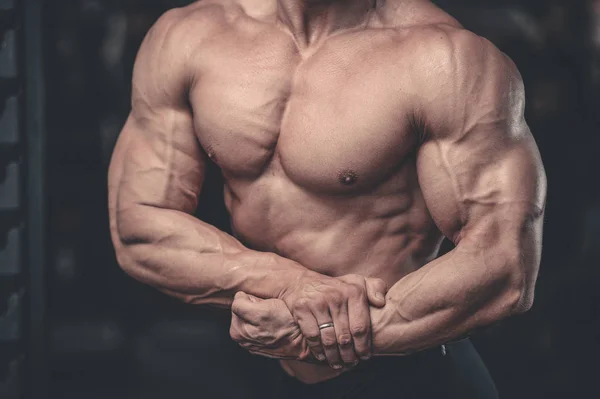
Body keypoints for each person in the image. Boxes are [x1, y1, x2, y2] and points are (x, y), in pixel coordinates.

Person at [108, 0, 546, 397]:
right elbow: (140, 228)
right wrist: (288, 283)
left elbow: (505, 264)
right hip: (267, 369)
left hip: (411, 376)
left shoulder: (443, 59)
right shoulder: (189, 36)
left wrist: (323, 336)